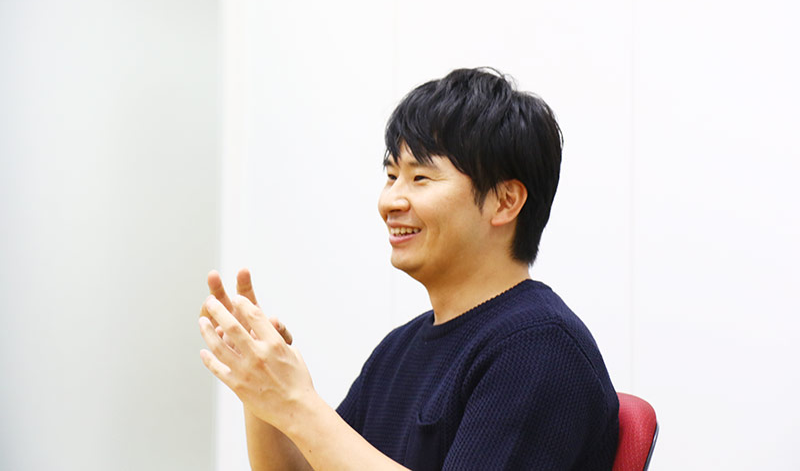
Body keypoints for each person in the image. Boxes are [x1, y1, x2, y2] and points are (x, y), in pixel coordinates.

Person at [198, 68, 619, 470]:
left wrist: (298, 403)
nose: (390, 201)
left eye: (420, 178)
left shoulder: (539, 347)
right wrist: (263, 393)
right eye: (391, 175)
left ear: (504, 201)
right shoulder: (399, 349)